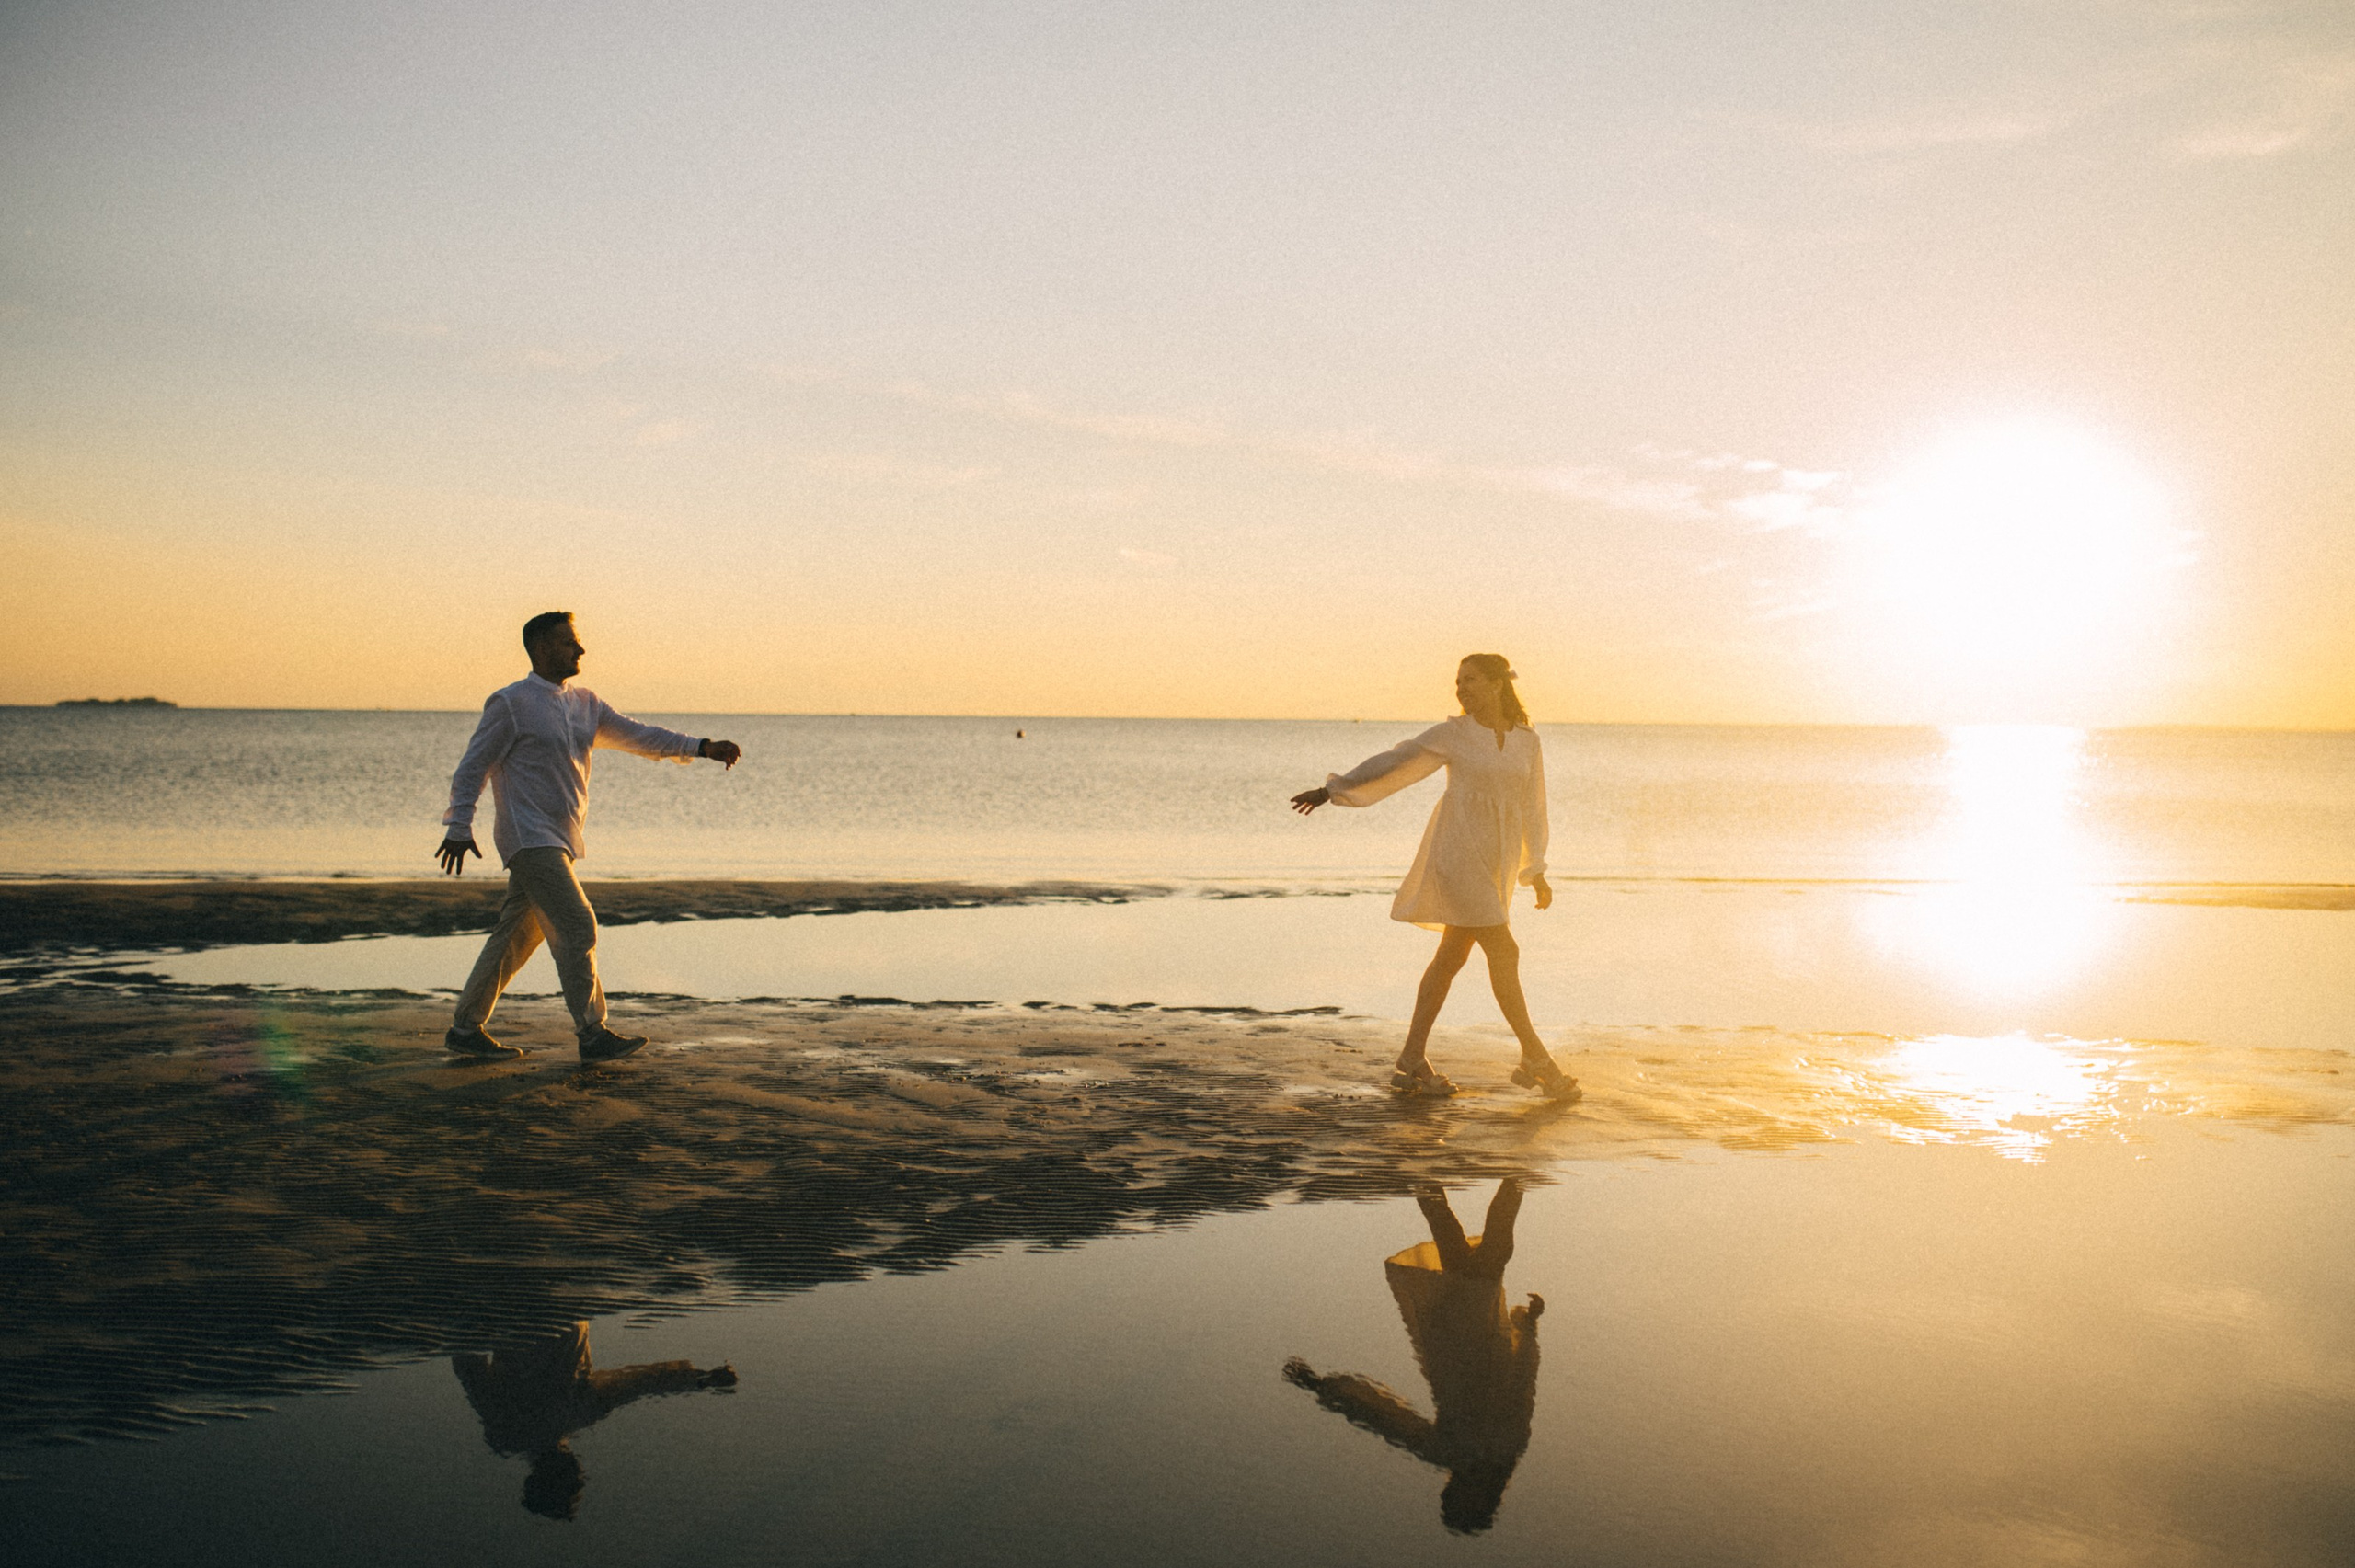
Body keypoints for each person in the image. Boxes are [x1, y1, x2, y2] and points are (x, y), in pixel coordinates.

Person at [436, 612, 741, 1061]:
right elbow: (474, 766)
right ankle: (592, 1032)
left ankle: (465, 1029)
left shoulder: (586, 703)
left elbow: (639, 735)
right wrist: (460, 825)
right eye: (569, 643)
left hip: (562, 837)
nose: (580, 651)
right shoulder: (510, 703)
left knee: (517, 935)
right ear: (541, 648)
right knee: (578, 923)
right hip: (527, 836)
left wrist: (700, 746)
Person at [1292, 654, 1575, 1098]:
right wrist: (1334, 789)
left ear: (1498, 685)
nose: (1460, 689)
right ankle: (1536, 1058)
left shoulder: (1527, 741)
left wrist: (1534, 868)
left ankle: (1411, 1061)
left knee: (1450, 958)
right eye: (1458, 681)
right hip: (1457, 853)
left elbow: (1533, 807)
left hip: (1496, 861)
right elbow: (1396, 761)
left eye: (1471, 681)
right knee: (1504, 949)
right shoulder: (1452, 734)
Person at [1283, 1179, 1545, 1534]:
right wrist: (1527, 1325)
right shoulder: (1496, 1447)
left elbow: (1381, 1417)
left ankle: (1509, 1160)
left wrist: (1321, 1387)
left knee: (1492, 1243)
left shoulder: (1458, 1451)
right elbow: (1523, 1381)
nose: (1452, 1492)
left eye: (1451, 1498)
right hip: (1464, 1325)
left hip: (1461, 1328)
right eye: (1458, 1500)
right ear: (1483, 1499)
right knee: (1457, 1233)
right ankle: (1423, 1154)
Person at [454, 1322, 737, 1519]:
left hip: (563, 1317)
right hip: (520, 1320)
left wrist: (703, 1379)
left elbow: (637, 1383)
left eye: (576, 1481)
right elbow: (468, 1365)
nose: (582, 1472)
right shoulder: (505, 1435)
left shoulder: (576, 1415)